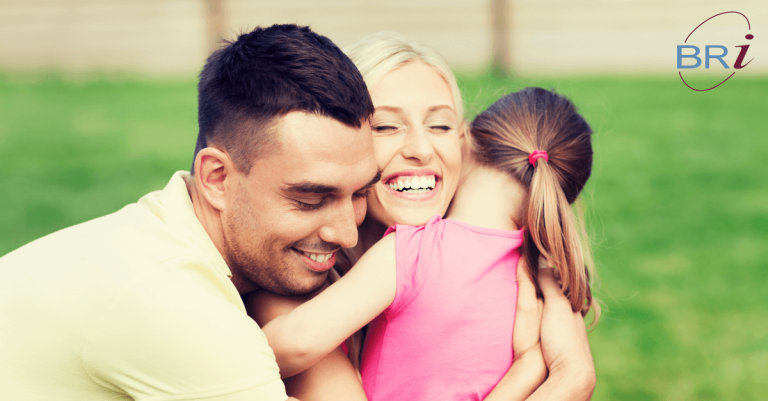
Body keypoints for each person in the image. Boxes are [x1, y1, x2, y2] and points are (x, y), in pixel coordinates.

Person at [0, 24, 379, 400]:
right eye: (310, 200)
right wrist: (398, 262)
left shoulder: (155, 239)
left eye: (361, 193)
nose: (347, 234)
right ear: (216, 178)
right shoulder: (174, 302)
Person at [248, 33, 596, 400]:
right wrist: (537, 366)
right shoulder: (288, 283)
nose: (420, 149)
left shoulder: (423, 256)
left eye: (440, 126)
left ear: (465, 143)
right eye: (385, 126)